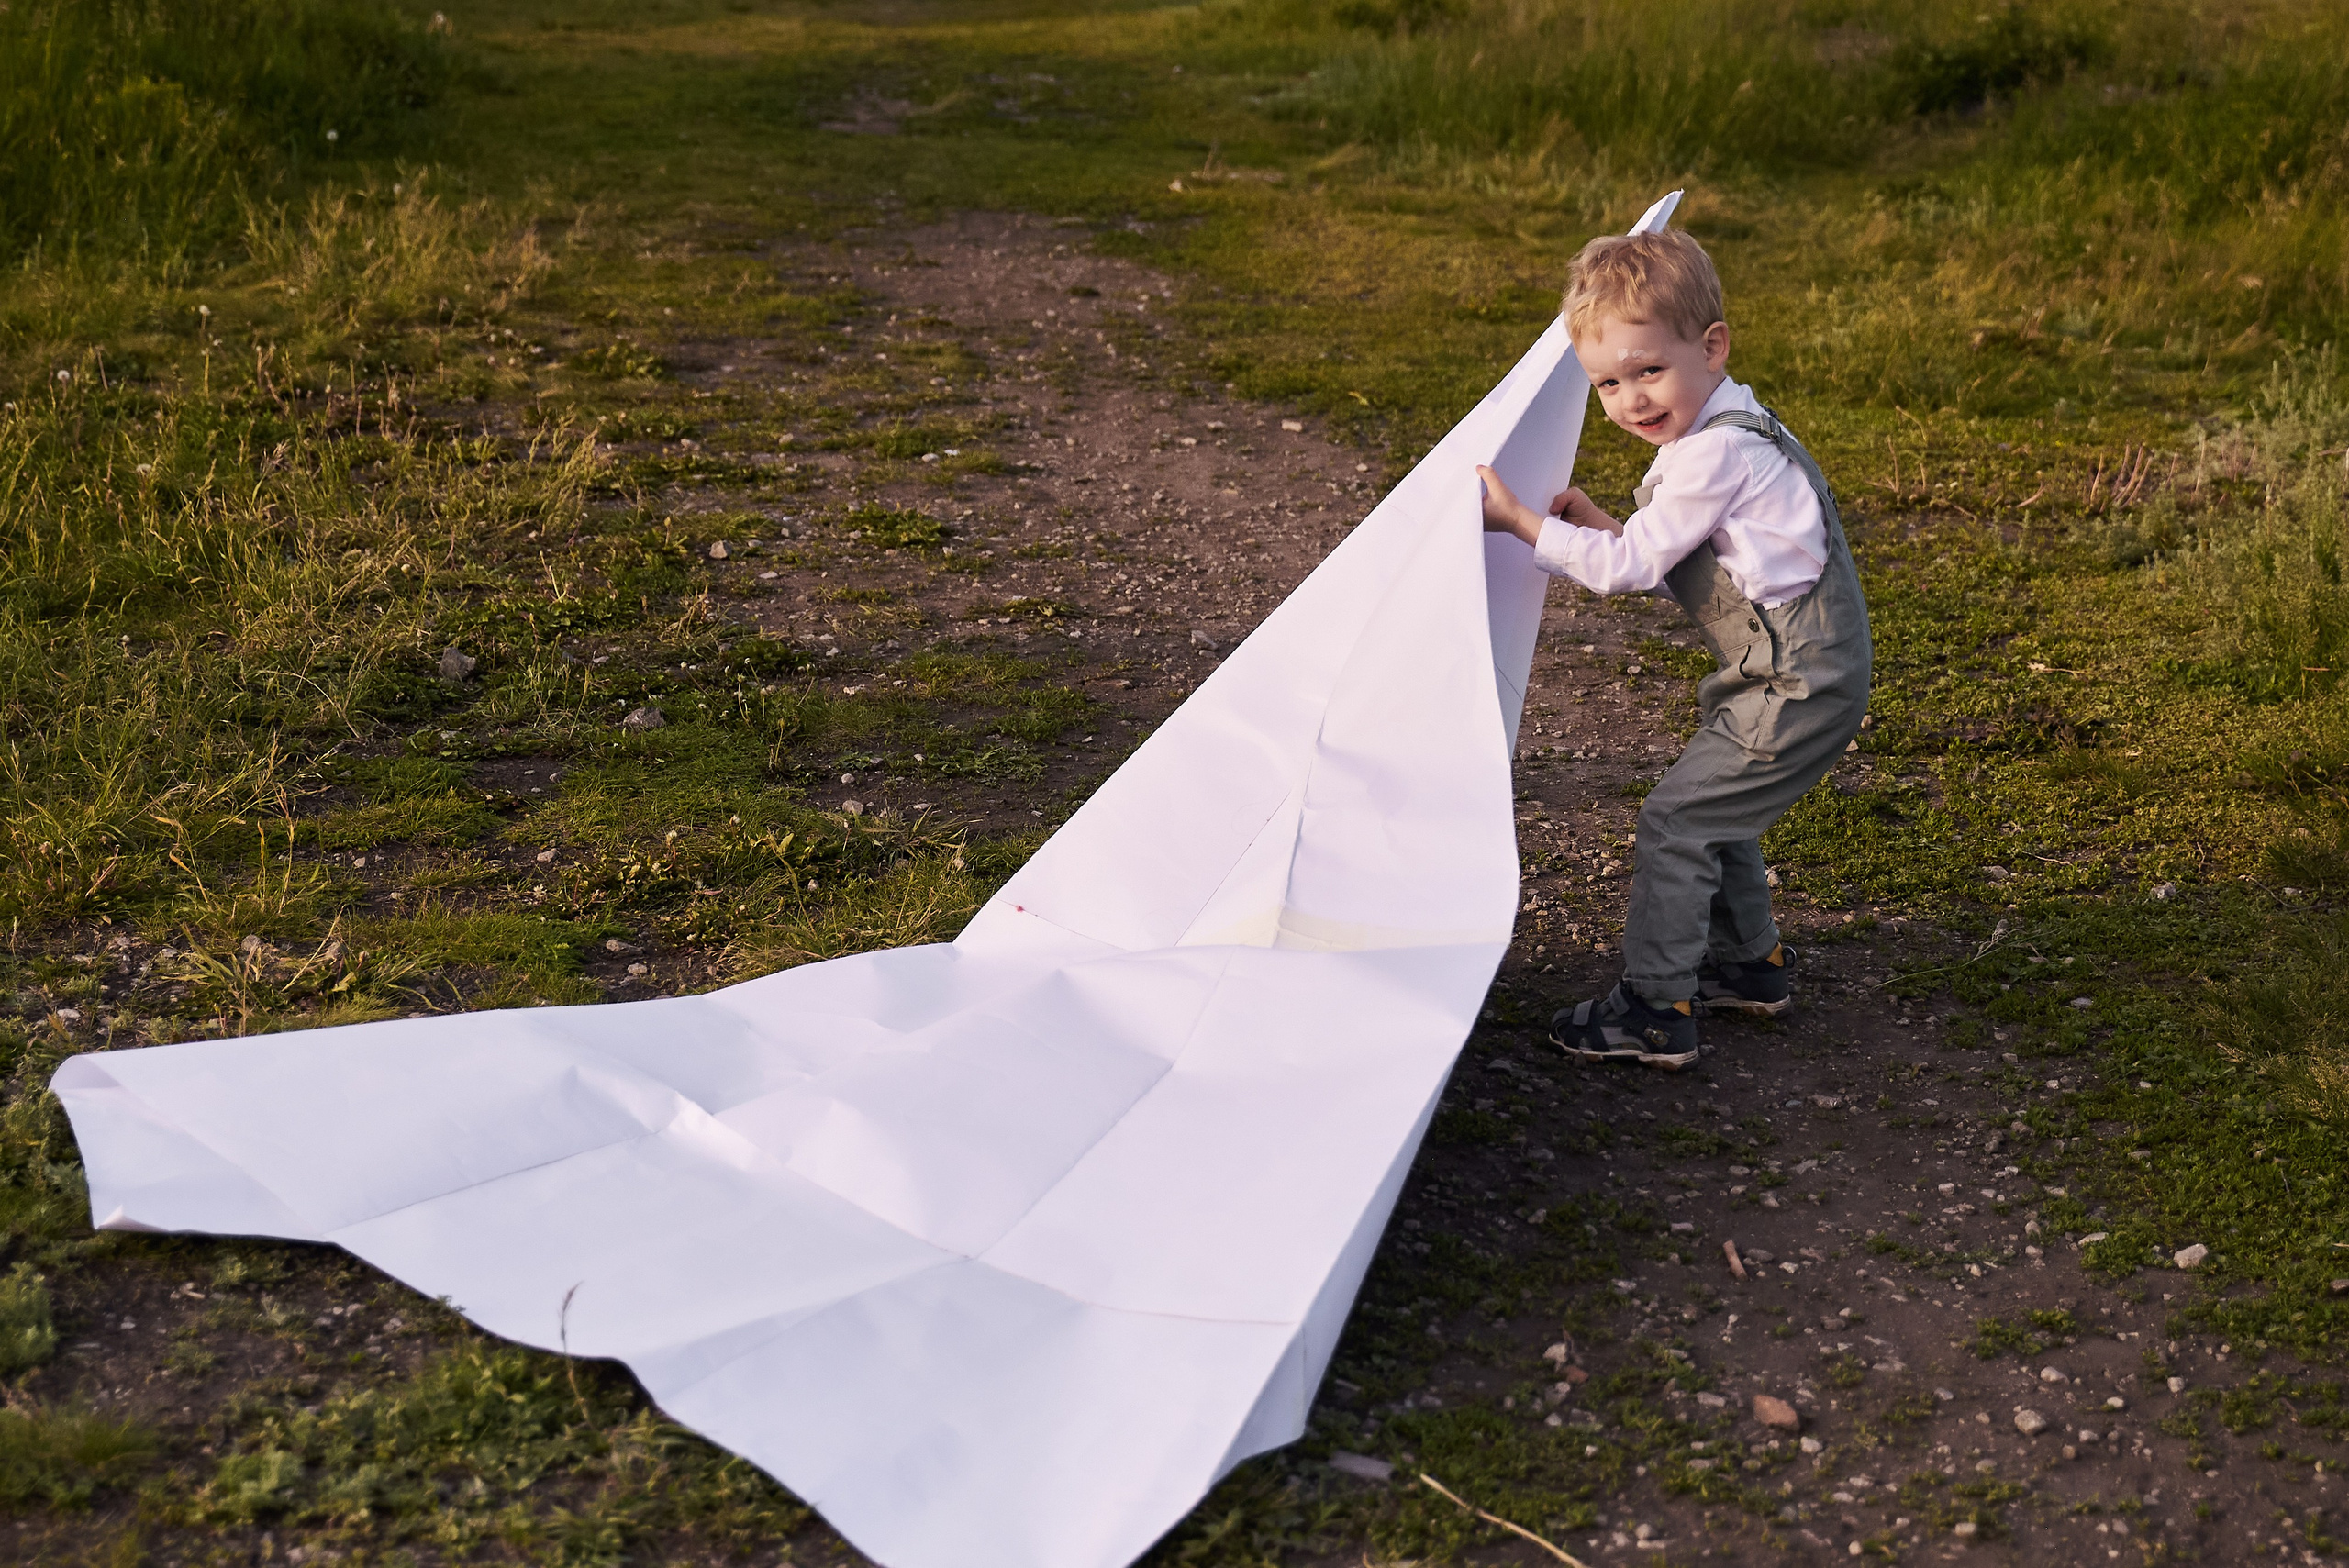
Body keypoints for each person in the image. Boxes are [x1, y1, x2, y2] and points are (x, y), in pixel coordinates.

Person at [1475, 226, 1872, 1070]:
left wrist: (1523, 524)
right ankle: (1748, 965)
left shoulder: (1714, 454)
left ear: (1712, 347)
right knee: (1715, 808)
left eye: (1648, 370)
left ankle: (1656, 1007)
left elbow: (1627, 570)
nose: (1632, 400)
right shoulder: (1732, 426)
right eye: (1608, 383)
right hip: (1785, 673)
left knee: (1676, 821)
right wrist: (1608, 529)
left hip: (1795, 684)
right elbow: (1695, 568)